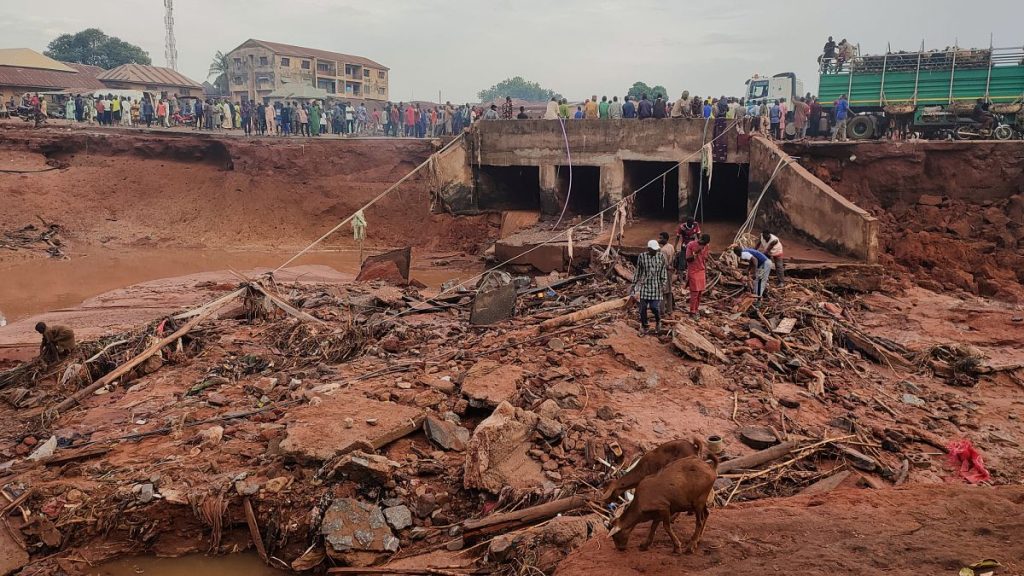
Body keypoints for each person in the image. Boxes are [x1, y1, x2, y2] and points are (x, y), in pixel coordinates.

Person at [632, 240, 668, 336]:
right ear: (649, 249)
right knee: (642, 308)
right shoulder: (642, 257)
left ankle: (658, 321)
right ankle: (645, 326)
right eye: (653, 250)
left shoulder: (661, 257)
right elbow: (638, 271)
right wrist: (634, 284)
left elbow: (663, 271)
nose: (655, 251)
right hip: (645, 286)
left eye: (656, 249)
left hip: (656, 286)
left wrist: (663, 284)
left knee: (654, 307)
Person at [685, 234, 711, 318]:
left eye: (705, 244)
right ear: (700, 239)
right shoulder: (691, 245)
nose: (703, 245)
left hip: (701, 271)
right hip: (693, 271)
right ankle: (692, 311)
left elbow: (705, 259)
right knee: (694, 292)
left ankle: (696, 309)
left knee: (700, 292)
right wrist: (696, 252)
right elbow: (688, 259)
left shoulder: (706, 246)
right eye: (702, 243)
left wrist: (706, 271)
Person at [657, 232, 676, 315]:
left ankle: (662, 311)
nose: (659, 240)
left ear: (665, 239)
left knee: (663, 292)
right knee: (669, 291)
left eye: (661, 238)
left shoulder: (663, 250)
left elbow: (664, 264)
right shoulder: (671, 246)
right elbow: (674, 258)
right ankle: (669, 309)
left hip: (664, 272)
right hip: (670, 272)